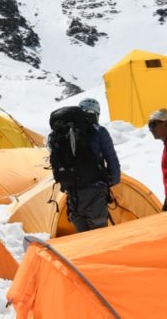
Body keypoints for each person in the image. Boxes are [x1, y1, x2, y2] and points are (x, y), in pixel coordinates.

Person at [48, 99, 121, 233]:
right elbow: (112, 160)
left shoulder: (62, 132)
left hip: (73, 192)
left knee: (83, 234)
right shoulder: (99, 131)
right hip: (95, 190)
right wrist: (111, 180)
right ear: (97, 114)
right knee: (100, 233)